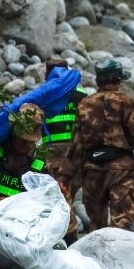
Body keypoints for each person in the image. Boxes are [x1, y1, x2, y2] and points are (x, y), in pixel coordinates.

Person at [70, 60, 134, 231]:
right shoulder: (129, 103)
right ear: (119, 81)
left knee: (96, 227)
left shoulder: (84, 105)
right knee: (122, 225)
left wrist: (72, 180)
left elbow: (76, 145)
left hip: (92, 171)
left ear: (97, 81)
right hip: (123, 171)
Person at [38, 58, 89, 244]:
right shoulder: (82, 93)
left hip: (54, 153)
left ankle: (69, 238)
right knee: (69, 195)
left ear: (47, 73)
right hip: (79, 151)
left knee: (60, 197)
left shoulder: (44, 92)